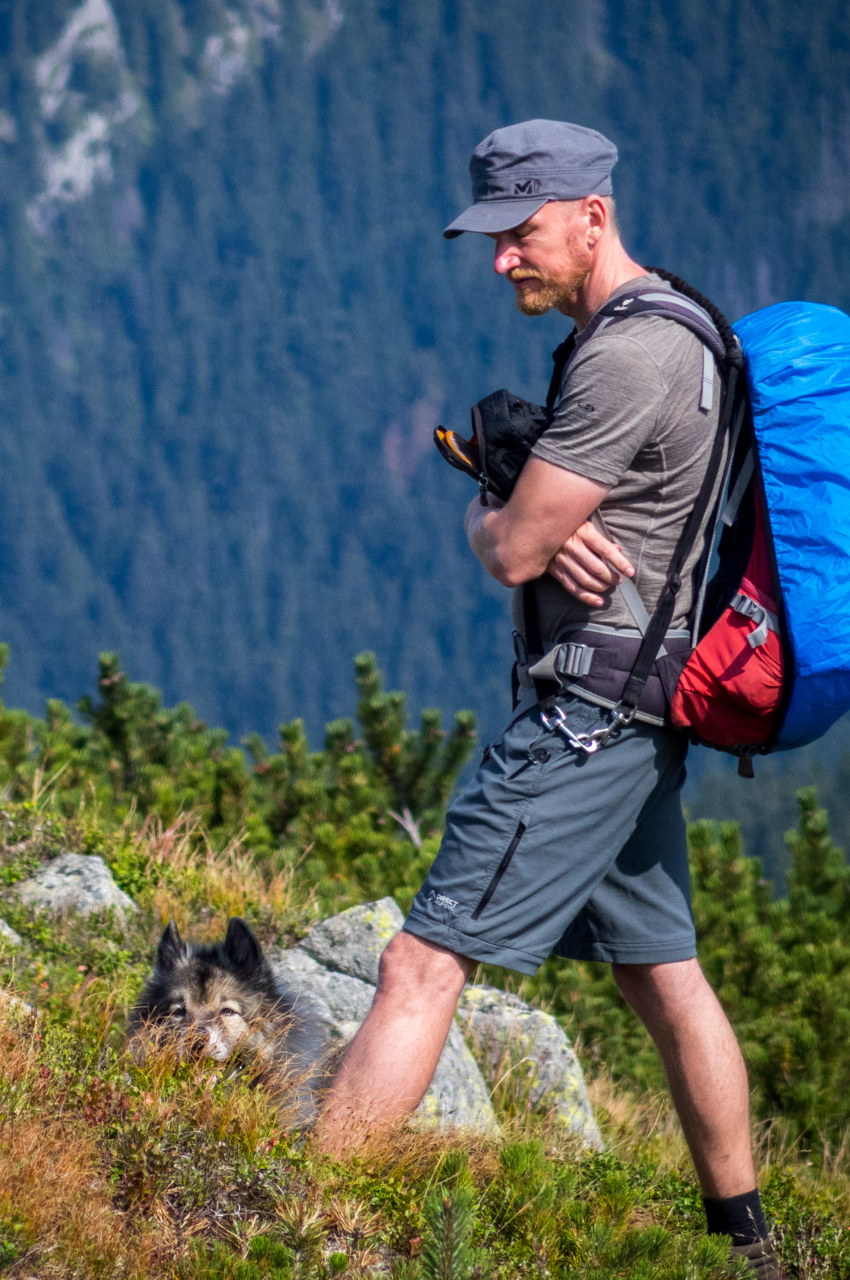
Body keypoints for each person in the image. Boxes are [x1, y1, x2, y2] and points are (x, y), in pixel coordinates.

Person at [312, 120, 784, 1278]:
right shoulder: (666, 322)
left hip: (588, 719)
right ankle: (751, 1251)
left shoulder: (630, 354)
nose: (500, 259)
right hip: (641, 704)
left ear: (591, 214)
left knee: (418, 964)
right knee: (661, 974)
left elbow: (518, 549)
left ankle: (306, 1229)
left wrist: (498, 521)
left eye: (519, 233)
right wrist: (542, 511)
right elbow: (580, 514)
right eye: (491, 235)